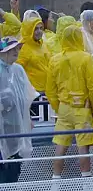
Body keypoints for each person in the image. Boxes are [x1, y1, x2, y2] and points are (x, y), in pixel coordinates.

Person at [46, 25, 93, 184]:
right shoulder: (86, 58)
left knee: (60, 146)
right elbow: (92, 87)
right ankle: (86, 183)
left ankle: (55, 182)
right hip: (82, 108)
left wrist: (59, 106)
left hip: (63, 108)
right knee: (83, 147)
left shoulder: (54, 59)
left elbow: (50, 89)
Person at [0, 37, 36, 184]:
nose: (16, 51)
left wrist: (28, 119)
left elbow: (26, 97)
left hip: (17, 126)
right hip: (3, 127)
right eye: (12, 49)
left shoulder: (19, 69)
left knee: (15, 166)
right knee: (3, 169)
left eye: (17, 48)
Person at [16, 17, 50, 94]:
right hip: (33, 92)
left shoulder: (42, 45)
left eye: (41, 28)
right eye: (36, 29)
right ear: (29, 30)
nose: (39, 31)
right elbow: (17, 71)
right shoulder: (23, 48)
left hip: (45, 89)